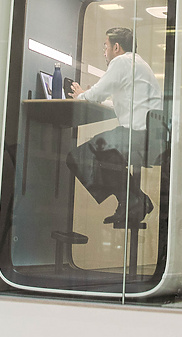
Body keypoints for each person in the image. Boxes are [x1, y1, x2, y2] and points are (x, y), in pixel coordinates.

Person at [67, 27, 164, 225]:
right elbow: (128, 103)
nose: (105, 52)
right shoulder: (138, 63)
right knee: (104, 151)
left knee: (79, 156)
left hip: (136, 135)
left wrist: (81, 95)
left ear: (116, 47)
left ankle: (133, 200)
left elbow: (96, 93)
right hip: (149, 135)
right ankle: (132, 201)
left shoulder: (121, 61)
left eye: (106, 47)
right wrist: (92, 97)